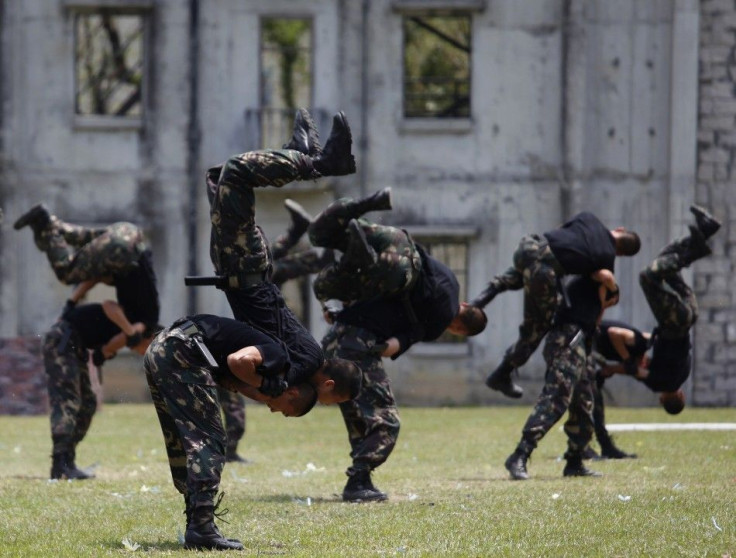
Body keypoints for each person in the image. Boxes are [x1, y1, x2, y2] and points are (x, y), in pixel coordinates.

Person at [310, 195, 487, 502]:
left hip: (337, 335)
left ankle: (359, 479)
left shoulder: (442, 278)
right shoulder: (436, 319)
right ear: (459, 327)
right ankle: (358, 481)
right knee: (386, 420)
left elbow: (385, 302)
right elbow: (392, 347)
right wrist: (386, 345)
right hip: (359, 343)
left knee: (356, 411)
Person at [196, 108, 363, 406]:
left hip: (244, 269)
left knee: (217, 177)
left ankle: (294, 153)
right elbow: (272, 389)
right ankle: (322, 164)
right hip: (245, 267)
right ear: (328, 384)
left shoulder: (301, 365)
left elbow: (264, 386)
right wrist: (263, 387)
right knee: (236, 172)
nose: (326, 406)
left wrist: (247, 384)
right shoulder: (307, 362)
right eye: (333, 399)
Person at [144, 314, 319, 551]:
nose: (275, 412)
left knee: (183, 440)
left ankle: (196, 522)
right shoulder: (278, 357)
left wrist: (260, 388)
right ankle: (201, 528)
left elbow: (238, 382)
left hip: (162, 346)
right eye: (286, 412)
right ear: (293, 394)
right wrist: (263, 383)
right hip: (182, 352)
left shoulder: (265, 366)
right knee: (209, 440)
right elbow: (238, 360)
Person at [471, 211, 641, 399]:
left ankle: (478, 302)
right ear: (621, 253)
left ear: (620, 229)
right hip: (545, 272)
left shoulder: (589, 218)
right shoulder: (607, 257)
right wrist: (613, 287)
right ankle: (501, 374)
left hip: (529, 246)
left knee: (526, 268)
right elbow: (601, 277)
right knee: (536, 329)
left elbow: (560, 233)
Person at [217, 198, 333, 464]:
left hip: (259, 311)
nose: (273, 410)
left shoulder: (291, 359)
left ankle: (305, 243)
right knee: (267, 266)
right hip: (258, 310)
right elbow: (260, 388)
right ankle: (312, 252)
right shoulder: (295, 363)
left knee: (268, 266)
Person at [597, 205, 720, 415]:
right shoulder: (657, 383)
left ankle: (706, 230)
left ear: (681, 395)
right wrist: (613, 369)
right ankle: (696, 250)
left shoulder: (682, 375)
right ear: (663, 400)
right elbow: (636, 371)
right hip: (673, 321)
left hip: (689, 315)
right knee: (648, 277)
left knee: (664, 259)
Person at [504, 273, 618, 481]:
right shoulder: (589, 278)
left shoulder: (590, 297)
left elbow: (595, 321)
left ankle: (574, 461)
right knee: (556, 398)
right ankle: (520, 454)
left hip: (580, 346)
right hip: (567, 343)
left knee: (583, 404)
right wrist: (611, 287)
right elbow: (605, 275)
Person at [43, 300, 159, 480]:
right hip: (62, 339)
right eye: (152, 349)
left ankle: (67, 461)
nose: (145, 354)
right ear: (150, 338)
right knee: (68, 401)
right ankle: (59, 464)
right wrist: (126, 335)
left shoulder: (130, 335)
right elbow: (108, 304)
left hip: (76, 345)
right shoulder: (134, 326)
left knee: (88, 402)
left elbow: (107, 349)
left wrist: (104, 352)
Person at [13, 208, 160, 330]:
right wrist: (130, 334)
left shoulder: (131, 282)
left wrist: (71, 303)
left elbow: (94, 278)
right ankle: (47, 226)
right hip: (122, 253)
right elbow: (133, 327)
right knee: (66, 273)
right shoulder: (150, 319)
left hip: (129, 232)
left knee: (85, 239)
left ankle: (53, 225)